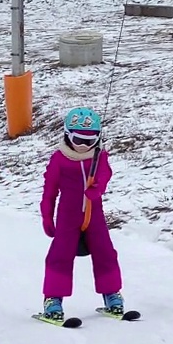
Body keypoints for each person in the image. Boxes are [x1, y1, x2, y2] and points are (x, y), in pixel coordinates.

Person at [39, 106, 124, 320]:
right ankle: (53, 300)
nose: (84, 145)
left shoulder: (98, 156)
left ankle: (112, 294)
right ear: (68, 136)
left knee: (105, 252)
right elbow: (50, 189)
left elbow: (105, 173)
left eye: (90, 140)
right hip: (68, 215)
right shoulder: (60, 159)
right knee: (60, 255)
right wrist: (47, 215)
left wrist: (98, 188)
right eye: (79, 140)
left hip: (94, 214)